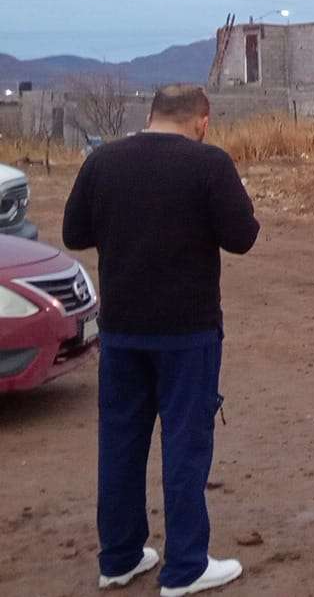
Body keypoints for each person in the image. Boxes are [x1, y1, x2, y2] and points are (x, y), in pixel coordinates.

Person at [62, 85, 259, 596]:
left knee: (121, 443)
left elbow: (74, 233)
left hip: (123, 330)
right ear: (202, 120)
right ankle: (186, 565)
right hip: (187, 332)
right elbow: (242, 236)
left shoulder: (102, 161)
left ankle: (120, 557)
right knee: (185, 445)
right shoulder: (209, 164)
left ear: (149, 114)